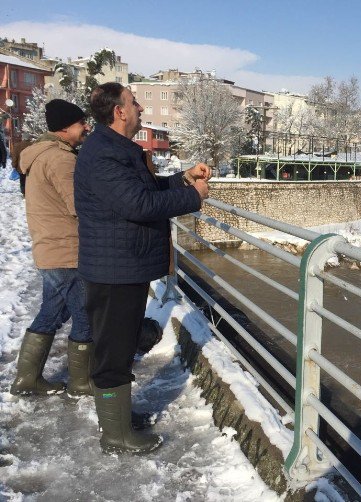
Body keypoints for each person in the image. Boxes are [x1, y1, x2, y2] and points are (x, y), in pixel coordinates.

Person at [74, 82, 209, 454]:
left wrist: (181, 180)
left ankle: (117, 419)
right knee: (114, 352)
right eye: (135, 104)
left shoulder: (114, 149)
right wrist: (193, 197)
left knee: (117, 347)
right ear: (119, 111)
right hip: (115, 268)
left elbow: (146, 190)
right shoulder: (104, 154)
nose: (140, 111)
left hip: (121, 265)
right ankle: (115, 436)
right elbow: (138, 205)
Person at [10, 99, 95, 397]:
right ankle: (82, 381)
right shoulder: (60, 159)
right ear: (65, 127)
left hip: (50, 247)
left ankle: (27, 379)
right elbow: (80, 206)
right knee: (86, 314)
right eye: (80, 123)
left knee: (50, 311)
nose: (85, 127)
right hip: (66, 250)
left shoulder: (39, 155)